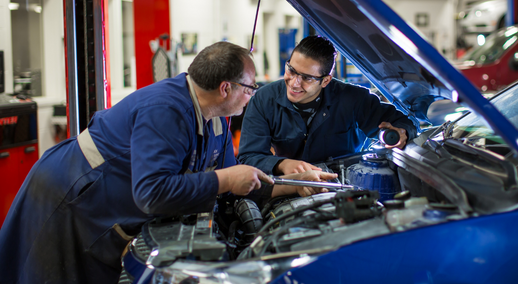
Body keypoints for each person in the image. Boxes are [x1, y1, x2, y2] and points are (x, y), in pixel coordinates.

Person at [0, 41, 336, 284]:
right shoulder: (167, 111)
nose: (253, 96)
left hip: (105, 200)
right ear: (225, 88)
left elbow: (238, 186)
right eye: (250, 88)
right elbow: (151, 192)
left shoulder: (216, 118)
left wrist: (295, 186)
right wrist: (224, 180)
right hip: (69, 197)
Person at [237, 35, 418, 175]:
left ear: (325, 81)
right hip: (290, 189)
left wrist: (402, 132)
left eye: (307, 78)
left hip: (345, 187)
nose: (294, 83)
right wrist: (283, 164)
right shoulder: (263, 100)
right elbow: (249, 157)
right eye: (291, 70)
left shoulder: (353, 99)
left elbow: (405, 123)